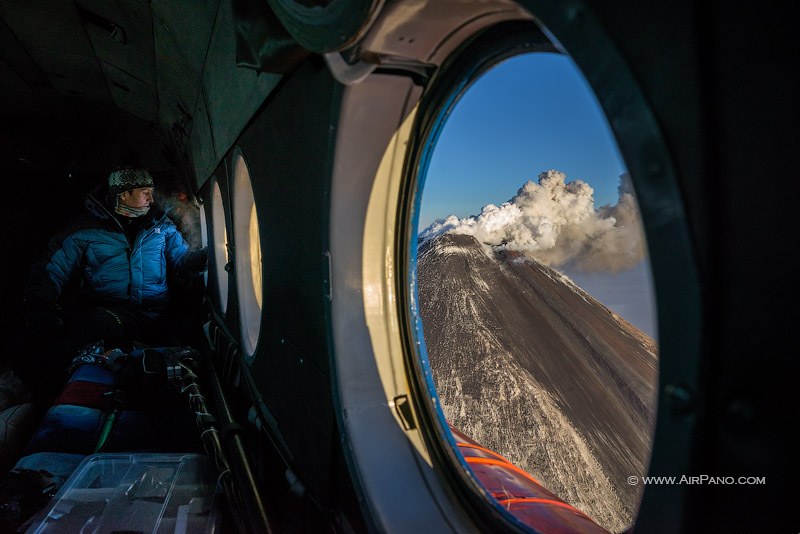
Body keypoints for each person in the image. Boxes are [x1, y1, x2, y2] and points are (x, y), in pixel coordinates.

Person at [21, 167, 208, 404]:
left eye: (151, 192)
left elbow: (181, 261)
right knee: (85, 328)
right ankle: (47, 397)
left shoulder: (161, 226)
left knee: (187, 340)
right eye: (144, 192)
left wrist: (204, 257)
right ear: (124, 194)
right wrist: (41, 305)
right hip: (111, 311)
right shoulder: (86, 230)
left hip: (154, 312)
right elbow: (51, 269)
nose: (151, 198)